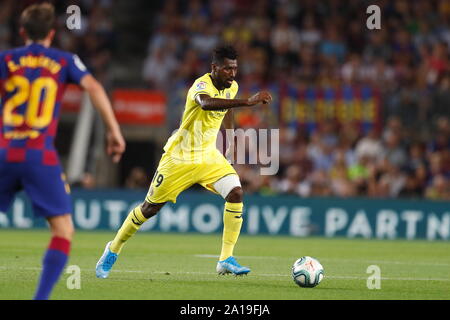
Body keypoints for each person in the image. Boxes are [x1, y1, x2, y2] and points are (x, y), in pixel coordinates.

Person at [96, 45, 272, 278]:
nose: (232, 74)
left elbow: (227, 111)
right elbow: (207, 103)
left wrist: (229, 140)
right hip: (179, 158)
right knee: (150, 209)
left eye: (235, 69)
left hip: (208, 156)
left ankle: (225, 259)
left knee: (236, 192)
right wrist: (248, 102)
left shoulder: (232, 87)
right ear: (214, 68)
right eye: (228, 69)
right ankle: (113, 248)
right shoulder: (200, 86)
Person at [0, 3, 125, 300]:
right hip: (39, 155)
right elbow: (94, 88)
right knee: (62, 231)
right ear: (53, 33)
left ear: (22, 32)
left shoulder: (5, 59)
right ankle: (40, 298)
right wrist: (114, 131)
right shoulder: (64, 60)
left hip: (5, 152)